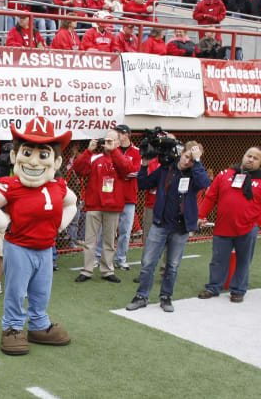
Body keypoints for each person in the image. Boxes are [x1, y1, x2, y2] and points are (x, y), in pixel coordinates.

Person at [0, 117, 76, 355]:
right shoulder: (11, 185)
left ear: (56, 161)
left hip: (45, 247)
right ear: (15, 156)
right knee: (16, 288)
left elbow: (72, 203)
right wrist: (6, 226)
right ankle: (12, 327)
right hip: (19, 246)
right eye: (27, 152)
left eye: (43, 155)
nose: (34, 161)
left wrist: (60, 225)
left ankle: (38, 324)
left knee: (42, 289)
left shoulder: (58, 186)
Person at [126, 142, 210, 312]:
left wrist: (198, 161)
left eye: (192, 159)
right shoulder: (166, 169)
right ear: (181, 153)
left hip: (181, 227)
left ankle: (166, 297)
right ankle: (141, 296)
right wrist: (144, 164)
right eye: (187, 157)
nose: (188, 162)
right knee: (148, 263)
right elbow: (143, 184)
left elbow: (204, 183)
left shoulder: (195, 173)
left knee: (172, 265)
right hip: (161, 224)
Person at [197, 147, 261, 303]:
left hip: (248, 228)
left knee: (243, 260)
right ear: (243, 156)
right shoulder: (225, 174)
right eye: (249, 156)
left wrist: (256, 224)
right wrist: (200, 216)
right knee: (218, 259)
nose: (251, 159)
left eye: (256, 158)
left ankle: (238, 290)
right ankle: (213, 287)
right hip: (222, 227)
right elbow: (211, 197)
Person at [72, 129, 134, 283]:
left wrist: (114, 151)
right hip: (94, 205)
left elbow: (126, 169)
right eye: (106, 140)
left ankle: (107, 271)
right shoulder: (95, 158)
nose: (108, 143)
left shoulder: (121, 158)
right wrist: (88, 150)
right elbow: (79, 169)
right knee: (90, 241)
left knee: (109, 241)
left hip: (113, 206)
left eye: (112, 140)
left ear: (119, 143)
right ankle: (87, 270)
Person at [93, 125, 141, 270]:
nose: (118, 135)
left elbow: (135, 171)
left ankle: (121, 259)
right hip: (112, 196)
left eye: (121, 133)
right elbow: (109, 170)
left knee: (125, 230)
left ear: (127, 135)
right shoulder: (112, 149)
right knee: (105, 229)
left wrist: (122, 172)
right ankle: (97, 256)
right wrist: (123, 171)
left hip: (129, 198)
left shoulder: (137, 151)